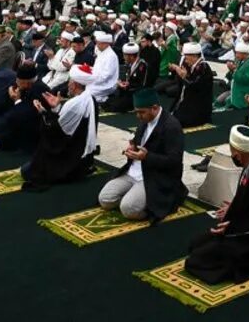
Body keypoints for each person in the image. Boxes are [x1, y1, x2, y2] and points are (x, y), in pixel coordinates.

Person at [184, 124, 249, 284]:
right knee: (195, 244)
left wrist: (233, 228)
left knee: (195, 261)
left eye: (232, 152)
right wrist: (232, 209)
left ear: (238, 156)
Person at [98, 87, 187, 221]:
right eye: (136, 112)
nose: (138, 116)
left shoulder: (171, 126)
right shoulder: (145, 120)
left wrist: (147, 157)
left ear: (155, 108)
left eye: (141, 112)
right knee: (105, 199)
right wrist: (132, 147)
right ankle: (138, 197)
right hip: (134, 172)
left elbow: (174, 161)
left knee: (128, 210)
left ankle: (161, 200)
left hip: (154, 176)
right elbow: (139, 141)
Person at [21, 62, 98, 190]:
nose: (68, 84)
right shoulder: (89, 99)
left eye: (70, 81)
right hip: (80, 156)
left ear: (75, 84)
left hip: (68, 159)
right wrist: (56, 107)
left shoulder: (73, 104)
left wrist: (43, 113)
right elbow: (65, 125)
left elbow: (55, 134)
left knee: (26, 171)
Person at [169, 41, 213, 128]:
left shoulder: (204, 68)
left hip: (198, 107)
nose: (185, 60)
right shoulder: (192, 66)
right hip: (189, 103)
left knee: (175, 123)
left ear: (194, 56)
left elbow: (193, 86)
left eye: (186, 57)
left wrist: (183, 76)